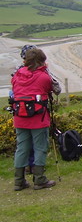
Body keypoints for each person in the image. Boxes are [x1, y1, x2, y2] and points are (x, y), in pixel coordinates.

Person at [11, 48, 60, 190]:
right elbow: (55, 89)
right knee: (40, 147)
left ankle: (19, 181)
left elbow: (15, 88)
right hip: (39, 118)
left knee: (22, 148)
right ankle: (39, 179)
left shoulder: (17, 75)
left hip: (19, 117)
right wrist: (47, 71)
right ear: (41, 60)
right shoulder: (43, 77)